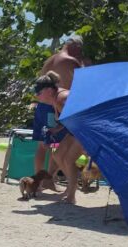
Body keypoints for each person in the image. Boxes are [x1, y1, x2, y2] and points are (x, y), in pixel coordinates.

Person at [32, 35, 89, 185]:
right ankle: (48, 179)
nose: (80, 53)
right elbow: (85, 83)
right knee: (55, 144)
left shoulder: (51, 59)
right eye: (80, 50)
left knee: (42, 145)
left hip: (42, 105)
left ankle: (39, 180)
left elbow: (41, 82)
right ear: (75, 47)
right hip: (55, 105)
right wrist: (84, 63)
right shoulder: (72, 61)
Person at [33, 71, 87, 204]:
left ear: (49, 90)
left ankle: (71, 195)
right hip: (75, 129)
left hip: (85, 131)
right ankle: (70, 186)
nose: (37, 96)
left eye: (39, 93)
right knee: (57, 153)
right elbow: (68, 120)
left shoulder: (62, 98)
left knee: (68, 160)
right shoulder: (55, 99)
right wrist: (56, 130)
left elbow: (81, 118)